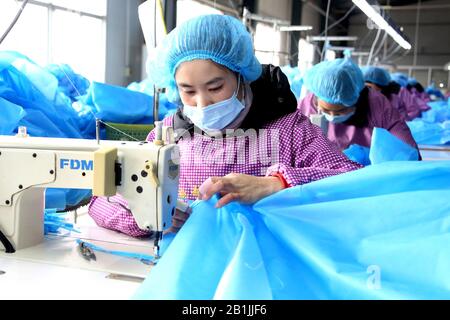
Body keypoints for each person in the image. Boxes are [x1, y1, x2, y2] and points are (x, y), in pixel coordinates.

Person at [88, 15, 362, 237]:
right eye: (188, 91)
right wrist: (148, 217)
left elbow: (355, 183)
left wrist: (276, 184)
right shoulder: (170, 134)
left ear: (243, 76)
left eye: (215, 87)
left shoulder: (289, 131)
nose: (203, 103)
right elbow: (100, 201)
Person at [298, 58, 418, 152]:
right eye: (325, 110)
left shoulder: (377, 105)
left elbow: (407, 151)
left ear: (356, 99)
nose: (332, 116)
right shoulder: (307, 105)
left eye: (340, 111)